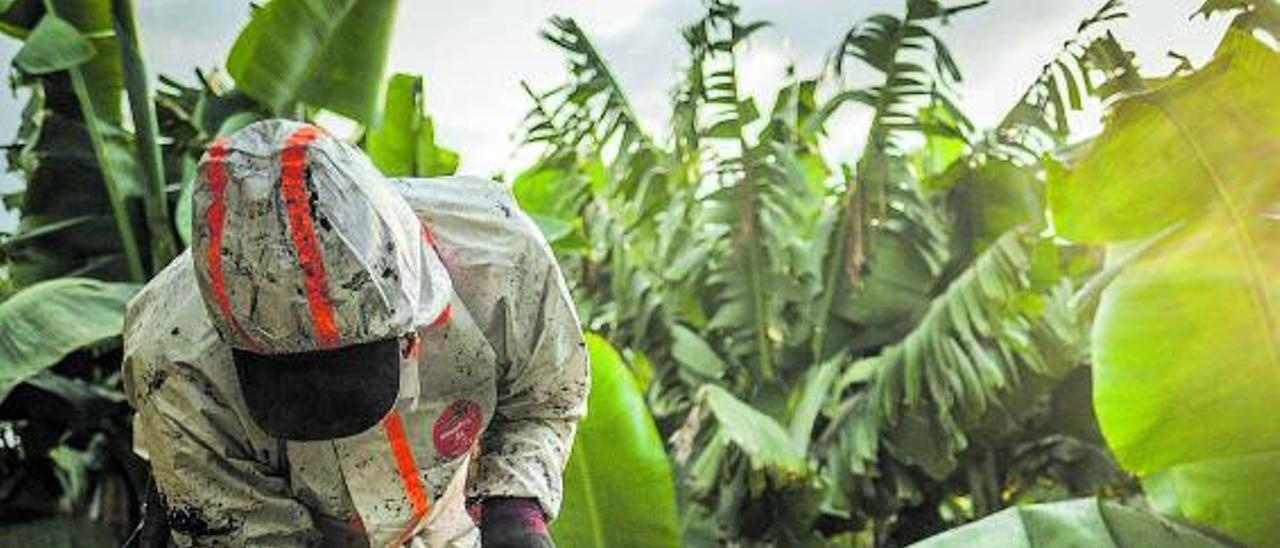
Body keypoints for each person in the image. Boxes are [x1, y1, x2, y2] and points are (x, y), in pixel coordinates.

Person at [122, 119, 589, 547]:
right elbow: (254, 535)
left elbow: (545, 398)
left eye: (345, 365)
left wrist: (515, 508)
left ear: (410, 327)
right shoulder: (174, 358)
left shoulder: (501, 259)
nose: (321, 400)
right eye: (295, 378)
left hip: (447, 520)